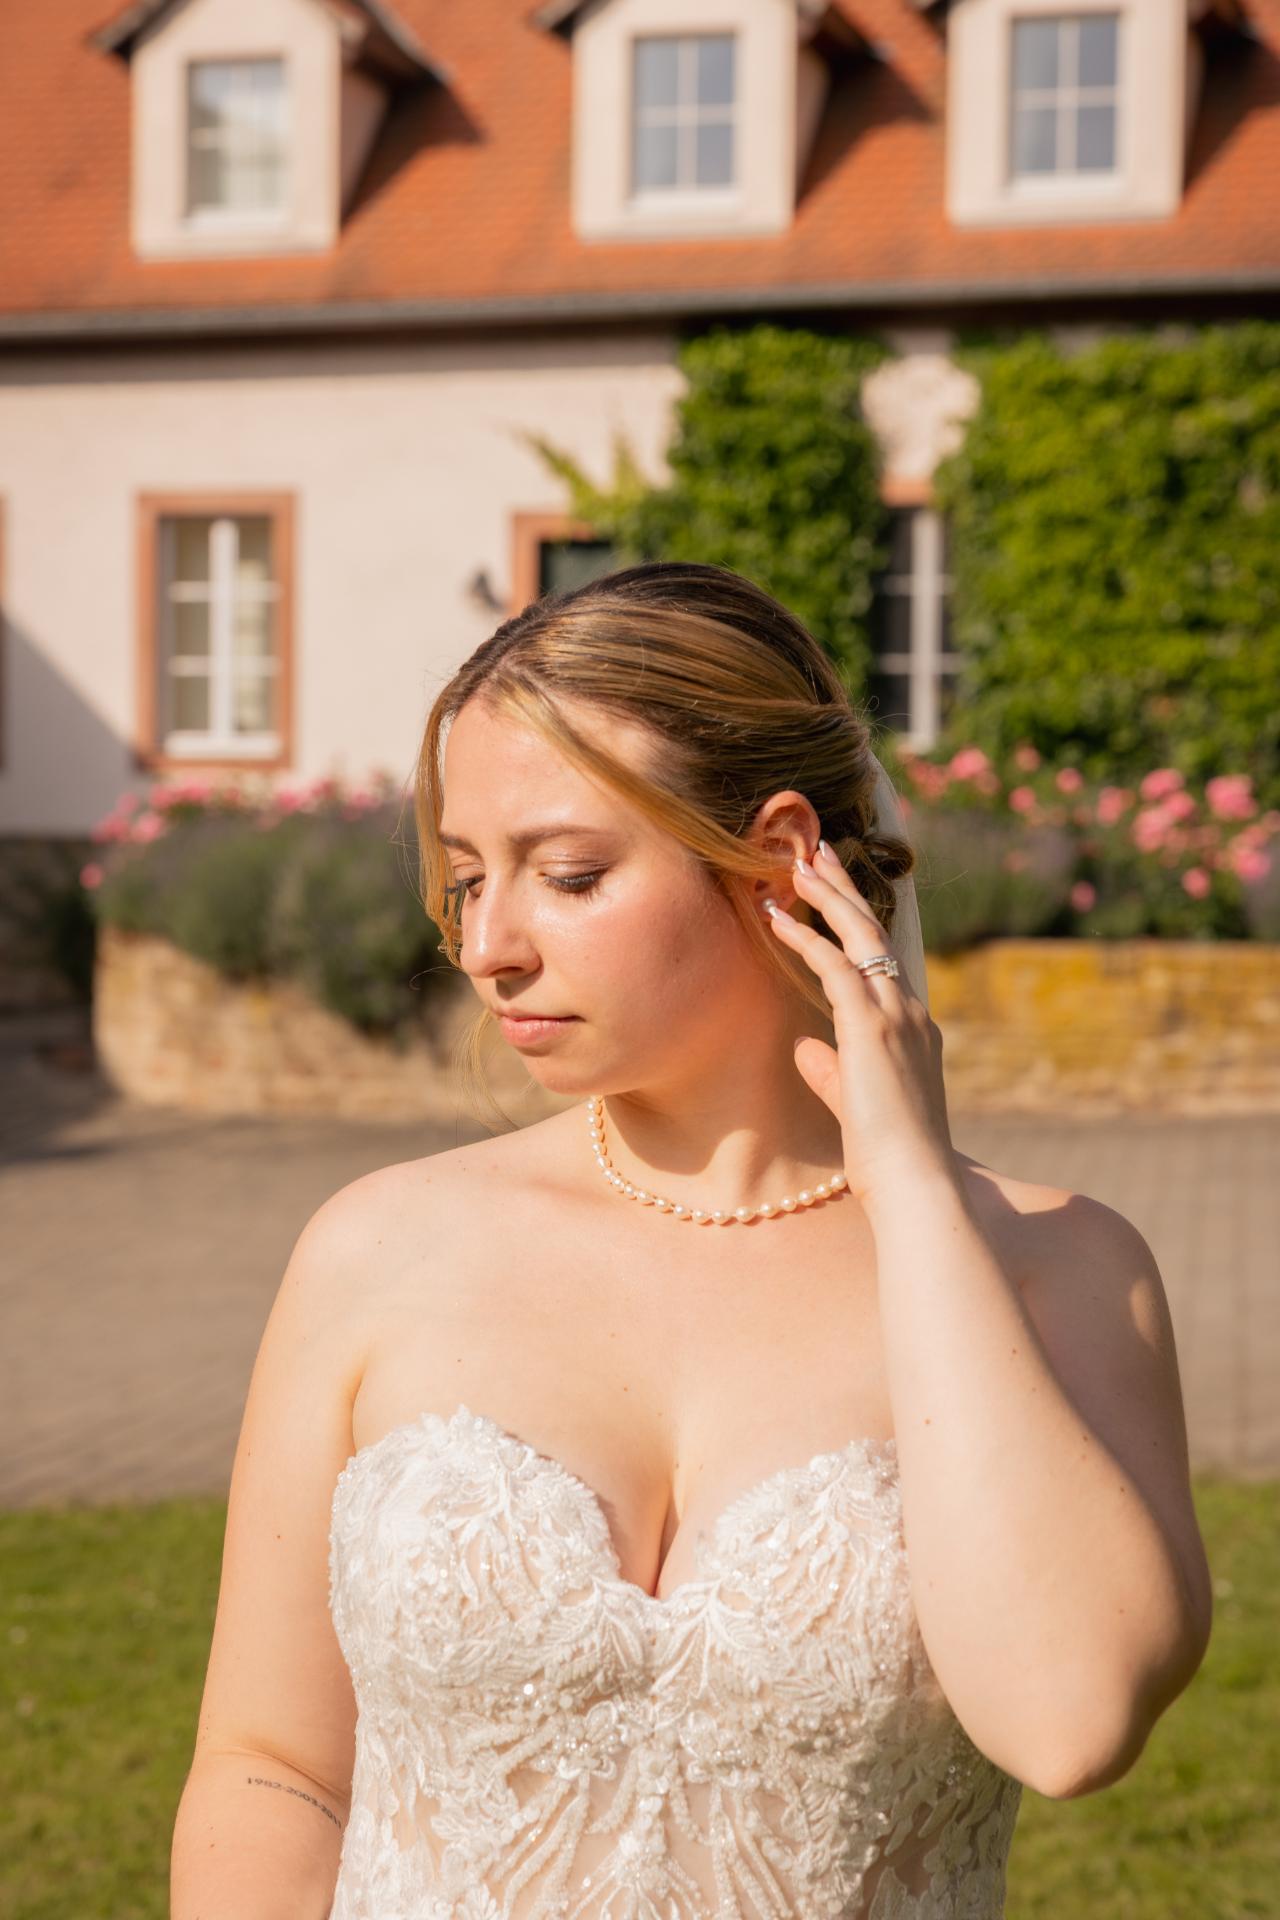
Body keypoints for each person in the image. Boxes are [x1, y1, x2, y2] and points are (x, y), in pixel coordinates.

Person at [171, 561, 1213, 1920]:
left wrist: (907, 1195)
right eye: (467, 879)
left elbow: (1070, 1721)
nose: (488, 945)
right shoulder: (380, 1250)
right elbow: (272, 1766)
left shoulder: (1062, 1270)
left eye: (568, 874)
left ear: (778, 857)